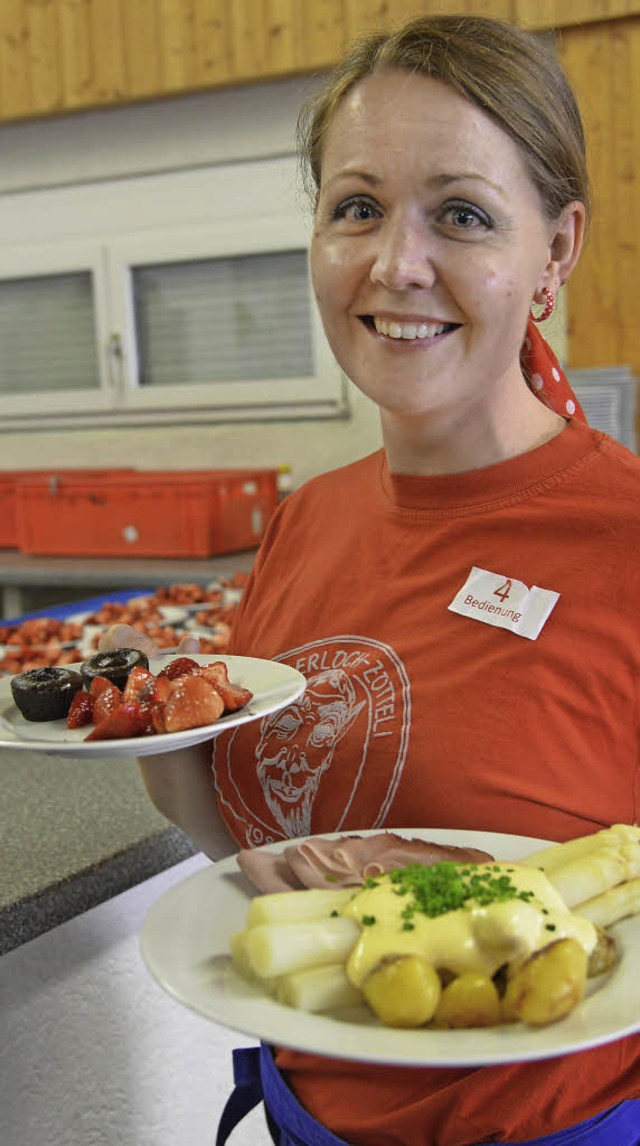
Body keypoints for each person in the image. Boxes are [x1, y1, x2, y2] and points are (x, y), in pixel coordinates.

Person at [103, 14, 640, 1145]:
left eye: (461, 214)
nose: (396, 263)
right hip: (304, 1112)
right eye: (357, 206)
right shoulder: (310, 519)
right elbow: (291, 860)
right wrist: (173, 772)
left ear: (554, 253)